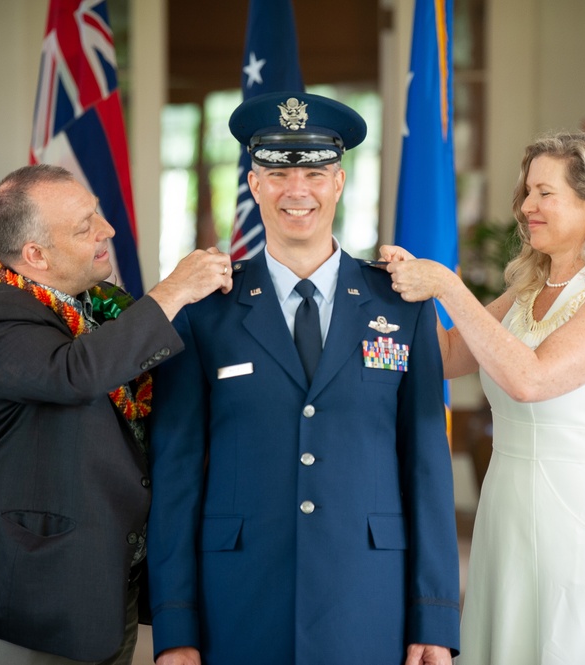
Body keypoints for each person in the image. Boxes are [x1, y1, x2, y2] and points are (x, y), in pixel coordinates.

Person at [146, 92, 460, 665]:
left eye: (315, 173)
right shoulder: (204, 309)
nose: (298, 190)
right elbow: (177, 473)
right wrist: (175, 626)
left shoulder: (403, 302)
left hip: (368, 594)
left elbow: (426, 465)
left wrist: (433, 614)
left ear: (338, 184)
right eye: (279, 173)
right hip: (238, 597)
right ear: (255, 184)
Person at [382, 131, 585, 664]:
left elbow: (532, 379)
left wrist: (448, 286)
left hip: (580, 517)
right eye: (527, 192)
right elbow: (448, 356)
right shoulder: (526, 292)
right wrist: (369, 306)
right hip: (507, 508)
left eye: (544, 193)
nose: (525, 207)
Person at [0, 163, 233, 665]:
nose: (106, 229)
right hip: (24, 603)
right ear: (35, 256)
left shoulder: (102, 310)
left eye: (97, 212)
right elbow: (74, 373)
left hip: (103, 593)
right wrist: (174, 289)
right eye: (84, 224)